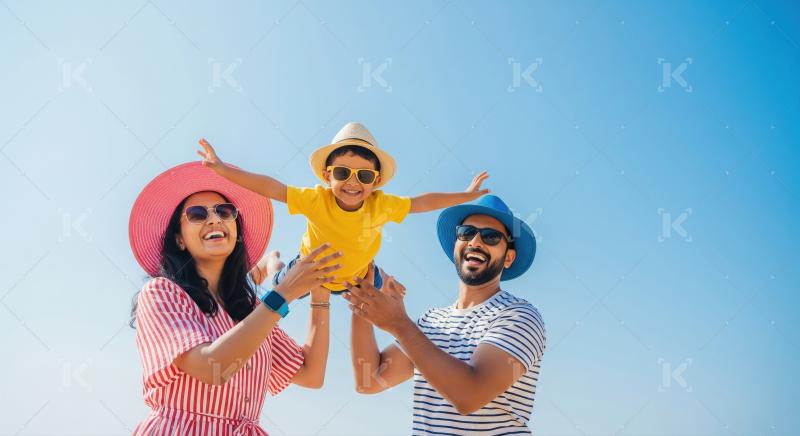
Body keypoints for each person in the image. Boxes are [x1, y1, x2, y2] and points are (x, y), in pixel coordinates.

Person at [128, 161, 340, 435]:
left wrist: (320, 295)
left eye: (225, 212)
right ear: (179, 239)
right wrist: (283, 293)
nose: (214, 219)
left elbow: (311, 374)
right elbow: (211, 367)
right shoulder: (162, 293)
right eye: (196, 214)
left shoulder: (252, 310)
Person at [196, 121, 490, 296]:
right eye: (342, 173)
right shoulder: (316, 199)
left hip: (357, 274)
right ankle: (272, 263)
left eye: (363, 176)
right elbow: (271, 187)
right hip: (310, 270)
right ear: (327, 176)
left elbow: (422, 202)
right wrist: (223, 170)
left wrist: (463, 196)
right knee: (275, 294)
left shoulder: (382, 204)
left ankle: (384, 278)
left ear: (375, 182)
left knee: (386, 295)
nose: (353, 183)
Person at [345, 195, 546, 435]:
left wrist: (398, 323)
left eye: (491, 236)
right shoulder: (431, 321)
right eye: (466, 232)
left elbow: (468, 396)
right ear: (456, 246)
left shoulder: (519, 316)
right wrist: (363, 296)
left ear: (509, 257)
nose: (475, 241)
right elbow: (370, 379)